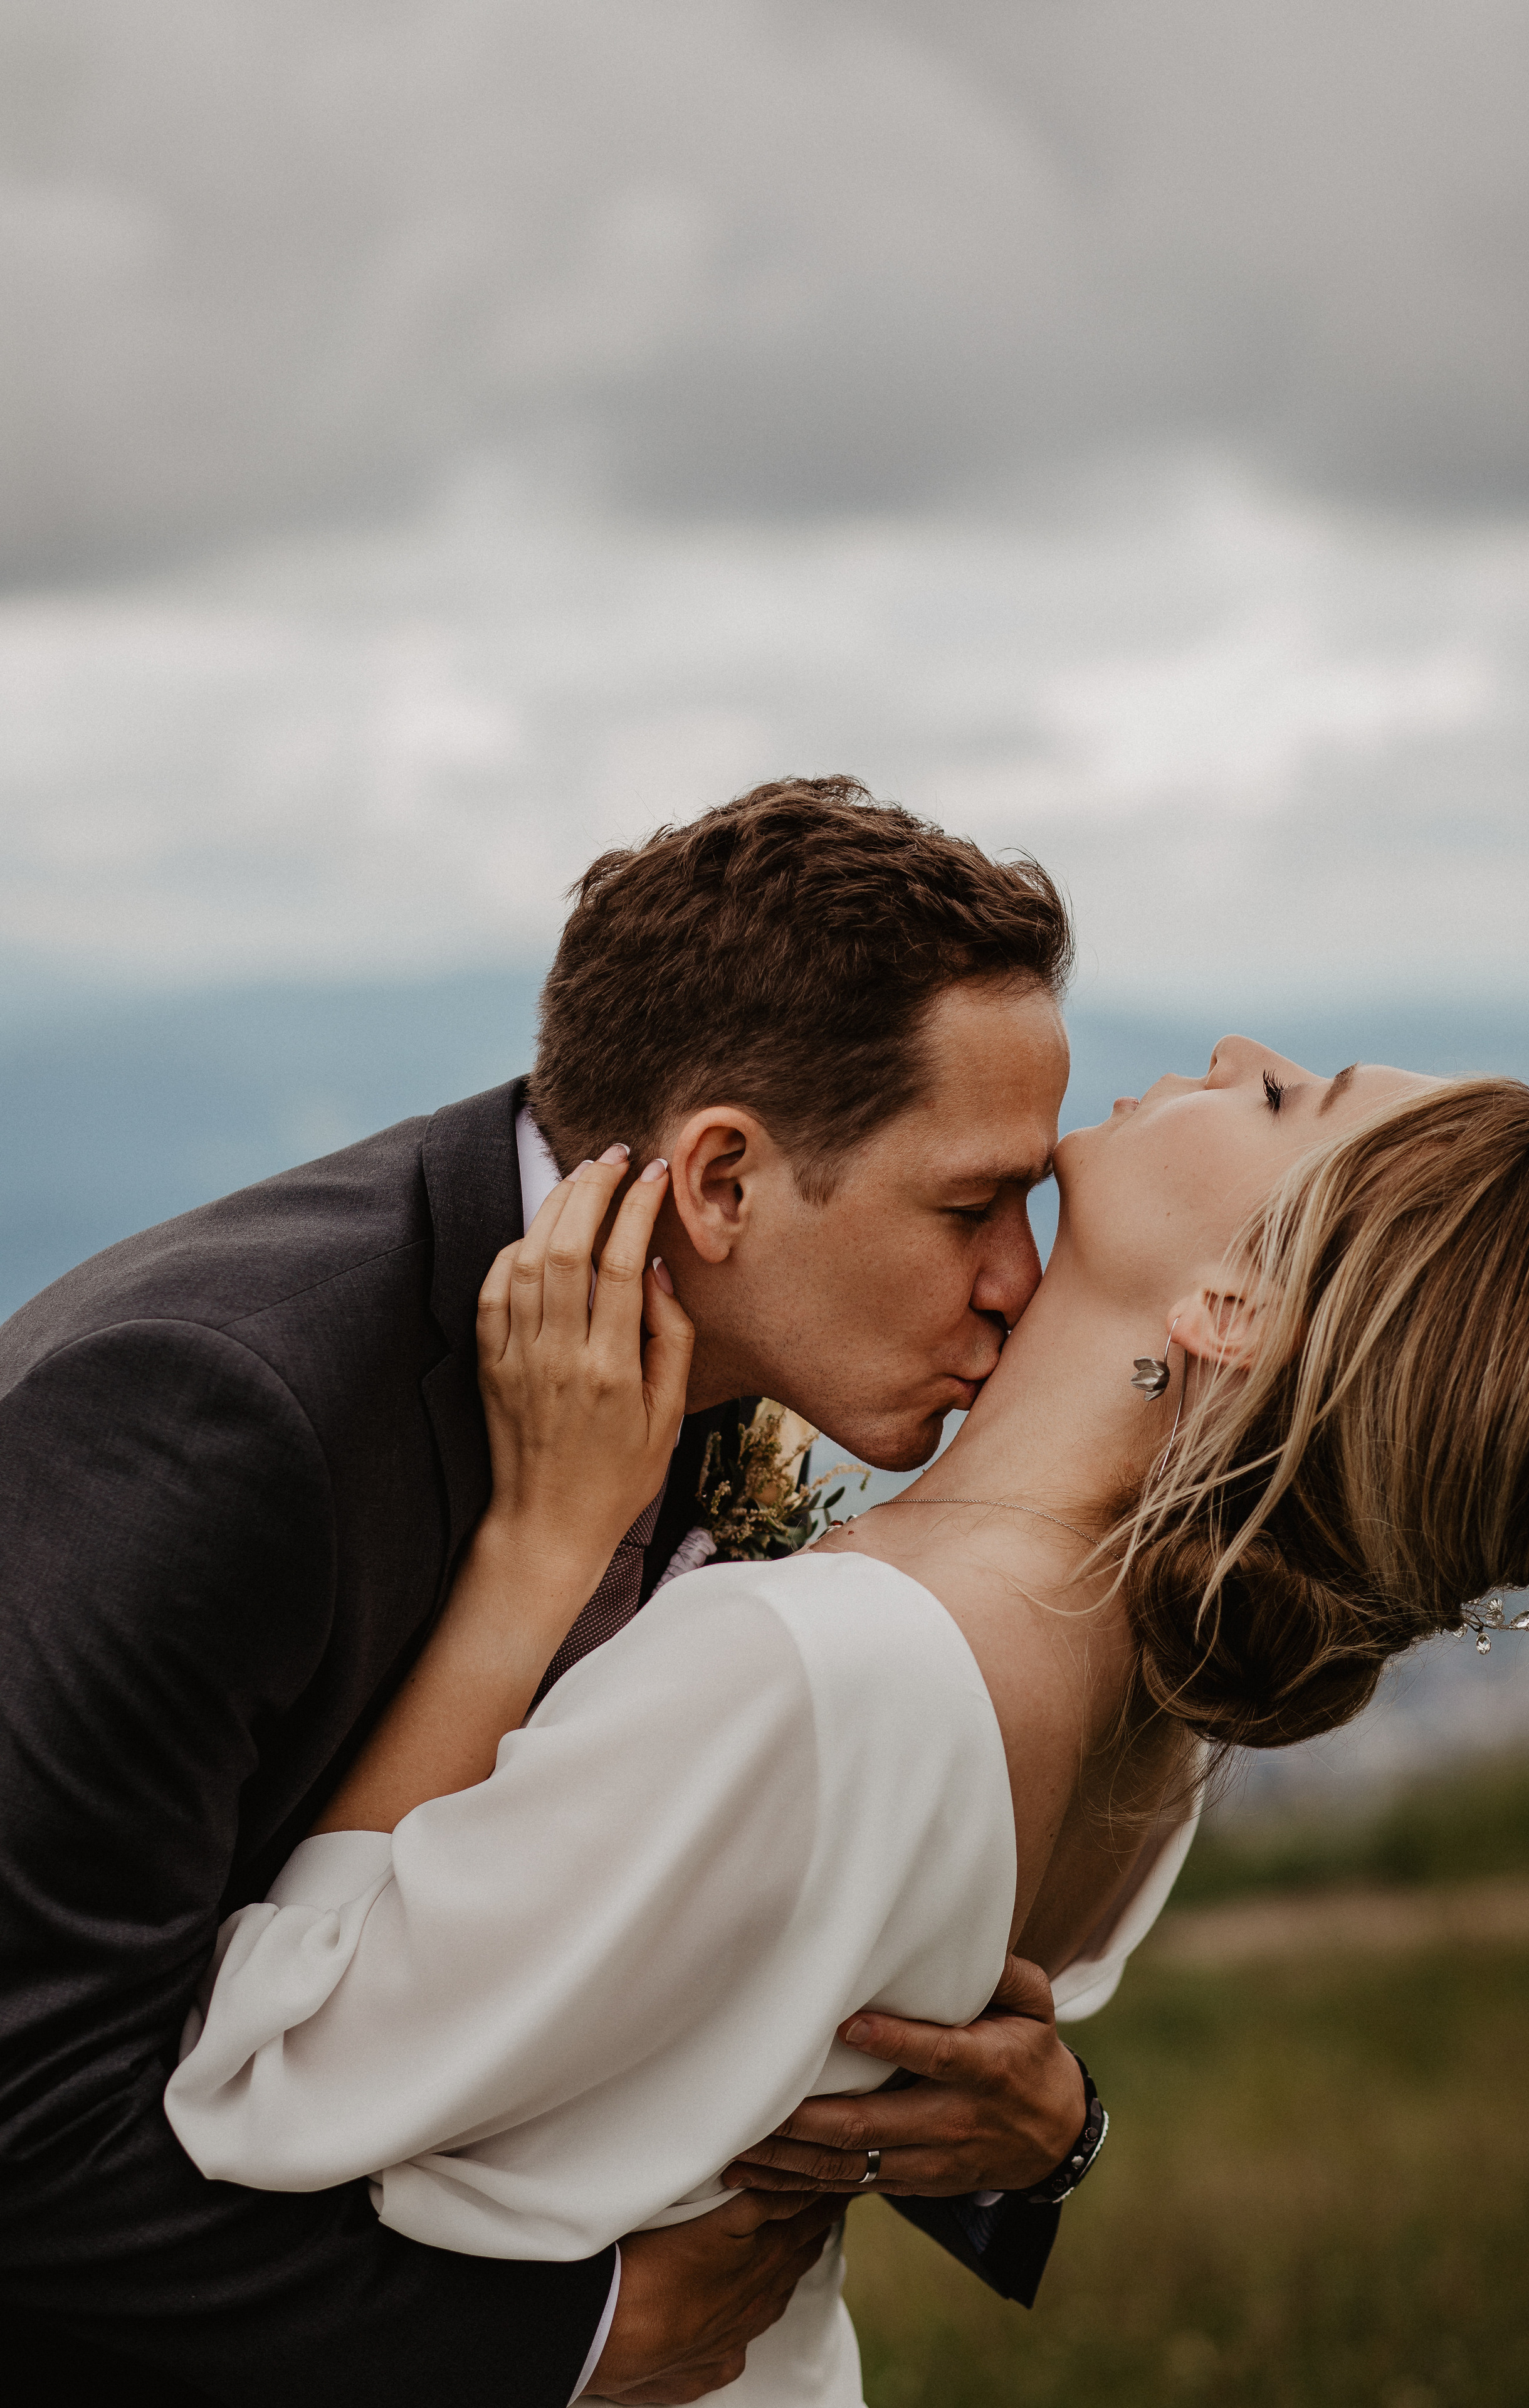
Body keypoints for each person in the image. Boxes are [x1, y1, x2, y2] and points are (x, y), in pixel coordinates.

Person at [164, 1035, 1529, 2404]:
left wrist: (534, 1551)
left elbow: (267, 2077)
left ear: (1231, 1306)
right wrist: (1056, 2141)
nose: (1234, 1056)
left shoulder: (816, 1665)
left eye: (1289, 1100)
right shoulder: (1161, 1709)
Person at [0, 781, 1095, 2408]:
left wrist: (1031, 2139)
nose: (1020, 1276)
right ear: (721, 1181)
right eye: (968, 1205)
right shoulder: (219, 1415)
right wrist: (575, 2344)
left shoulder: (728, 1344)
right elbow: (30, 2121)